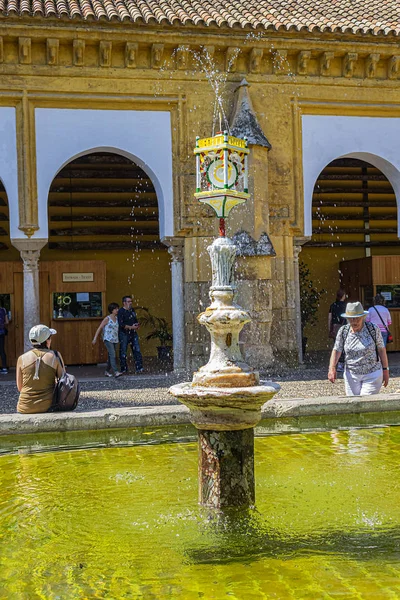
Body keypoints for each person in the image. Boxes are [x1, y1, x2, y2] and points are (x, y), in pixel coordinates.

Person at [328, 301, 389, 396]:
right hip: (351, 375)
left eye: (357, 318)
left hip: (372, 374)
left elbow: (381, 349)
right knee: (354, 405)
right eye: (351, 319)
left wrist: (385, 370)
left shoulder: (373, 329)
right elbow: (336, 350)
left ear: (363, 317)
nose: (354, 321)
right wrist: (332, 368)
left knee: (365, 403)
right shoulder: (343, 331)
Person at [16, 324, 64, 414]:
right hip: (48, 406)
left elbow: (20, 387)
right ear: (47, 341)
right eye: (50, 338)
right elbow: (63, 383)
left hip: (25, 407)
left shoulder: (21, 358)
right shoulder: (55, 356)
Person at [92, 302, 122, 378]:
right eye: (116, 309)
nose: (117, 310)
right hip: (108, 339)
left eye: (117, 308)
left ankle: (107, 371)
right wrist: (95, 338)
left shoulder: (117, 318)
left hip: (115, 339)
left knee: (110, 356)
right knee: (112, 354)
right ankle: (115, 371)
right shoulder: (107, 318)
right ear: (112, 310)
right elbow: (100, 328)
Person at [118, 295, 143, 374]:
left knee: (137, 350)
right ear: (124, 303)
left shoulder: (132, 310)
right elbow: (121, 324)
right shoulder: (121, 311)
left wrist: (137, 325)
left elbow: (135, 319)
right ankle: (124, 368)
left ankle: (139, 367)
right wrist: (131, 327)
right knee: (123, 351)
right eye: (128, 302)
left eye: (131, 301)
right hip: (124, 334)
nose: (130, 303)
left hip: (133, 333)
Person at [328, 289, 347, 371]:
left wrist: (329, 328)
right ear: (343, 296)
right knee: (346, 345)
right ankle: (345, 363)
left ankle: (338, 364)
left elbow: (329, 318)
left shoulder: (333, 305)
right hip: (345, 327)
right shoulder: (346, 306)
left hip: (335, 327)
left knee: (337, 346)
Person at [0, 300, 9, 374]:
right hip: (1, 333)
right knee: (2, 350)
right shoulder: (3, 310)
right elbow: (7, 322)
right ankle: (4, 367)